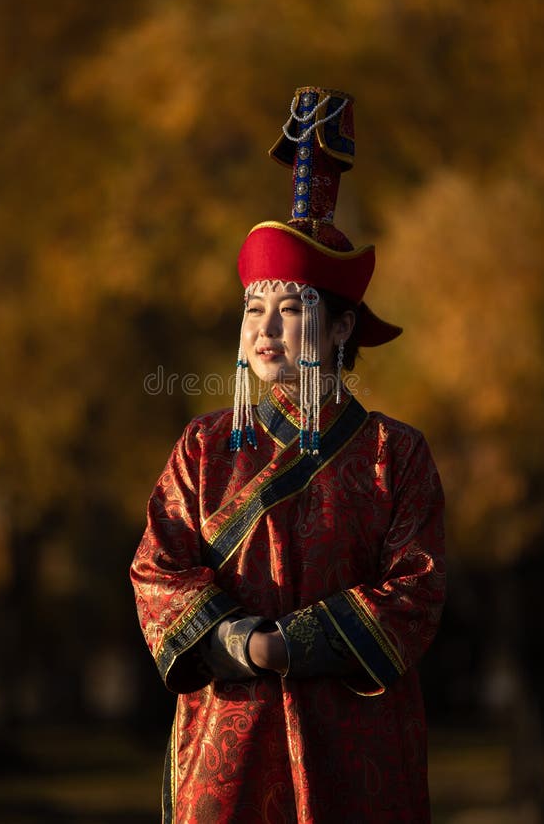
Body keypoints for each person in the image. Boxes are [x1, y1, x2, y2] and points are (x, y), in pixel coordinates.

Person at [131, 86, 445, 823]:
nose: (265, 327)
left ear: (341, 329)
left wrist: (296, 645)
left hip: (355, 739)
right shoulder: (203, 448)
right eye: (253, 308)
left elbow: (416, 591)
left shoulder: (392, 455)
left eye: (291, 307)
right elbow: (156, 568)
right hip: (229, 740)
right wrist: (236, 640)